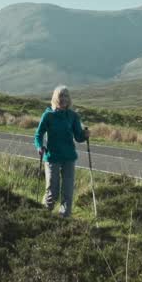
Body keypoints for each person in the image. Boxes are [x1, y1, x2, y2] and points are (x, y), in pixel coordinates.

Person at [34, 85, 89, 217]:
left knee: (68, 191)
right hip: (52, 157)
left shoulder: (73, 116)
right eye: (60, 96)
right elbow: (38, 134)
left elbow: (78, 136)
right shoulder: (48, 115)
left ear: (69, 99)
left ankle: (64, 218)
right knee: (52, 190)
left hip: (69, 157)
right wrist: (39, 146)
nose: (63, 98)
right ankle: (44, 215)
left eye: (66, 96)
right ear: (55, 98)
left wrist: (85, 135)